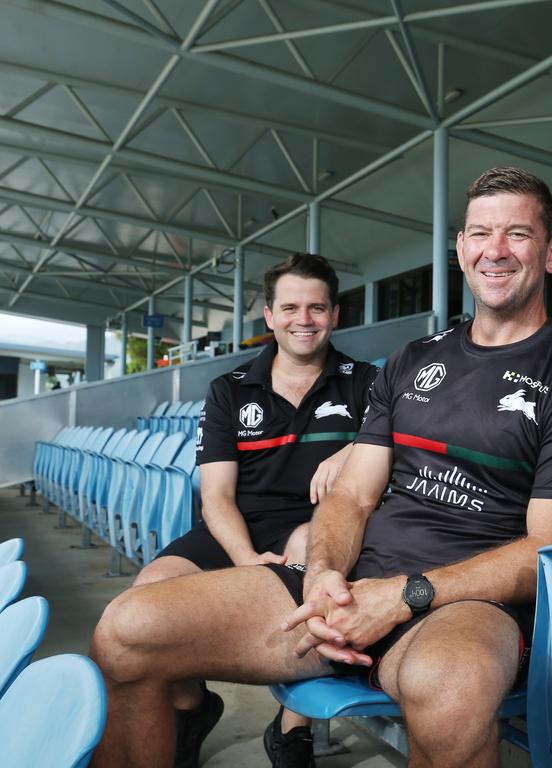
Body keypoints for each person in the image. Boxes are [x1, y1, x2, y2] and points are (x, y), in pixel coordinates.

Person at [89, 166, 552, 768]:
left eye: (517, 235)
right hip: (355, 584)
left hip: (465, 606)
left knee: (449, 694)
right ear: (460, 249)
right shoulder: (414, 360)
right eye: (480, 233)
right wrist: (323, 574)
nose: (494, 251)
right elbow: (351, 498)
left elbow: (548, 549)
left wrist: (407, 595)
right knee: (126, 630)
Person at [133, 252, 378, 768]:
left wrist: (351, 449)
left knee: (307, 558)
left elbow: (395, 449)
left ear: (335, 315)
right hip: (238, 525)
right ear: (269, 316)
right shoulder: (229, 388)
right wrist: (243, 555)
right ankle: (190, 707)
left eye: (316, 308)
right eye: (290, 307)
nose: (303, 320)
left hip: (319, 521)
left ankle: (293, 729)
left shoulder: (366, 384)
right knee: (146, 597)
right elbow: (216, 497)